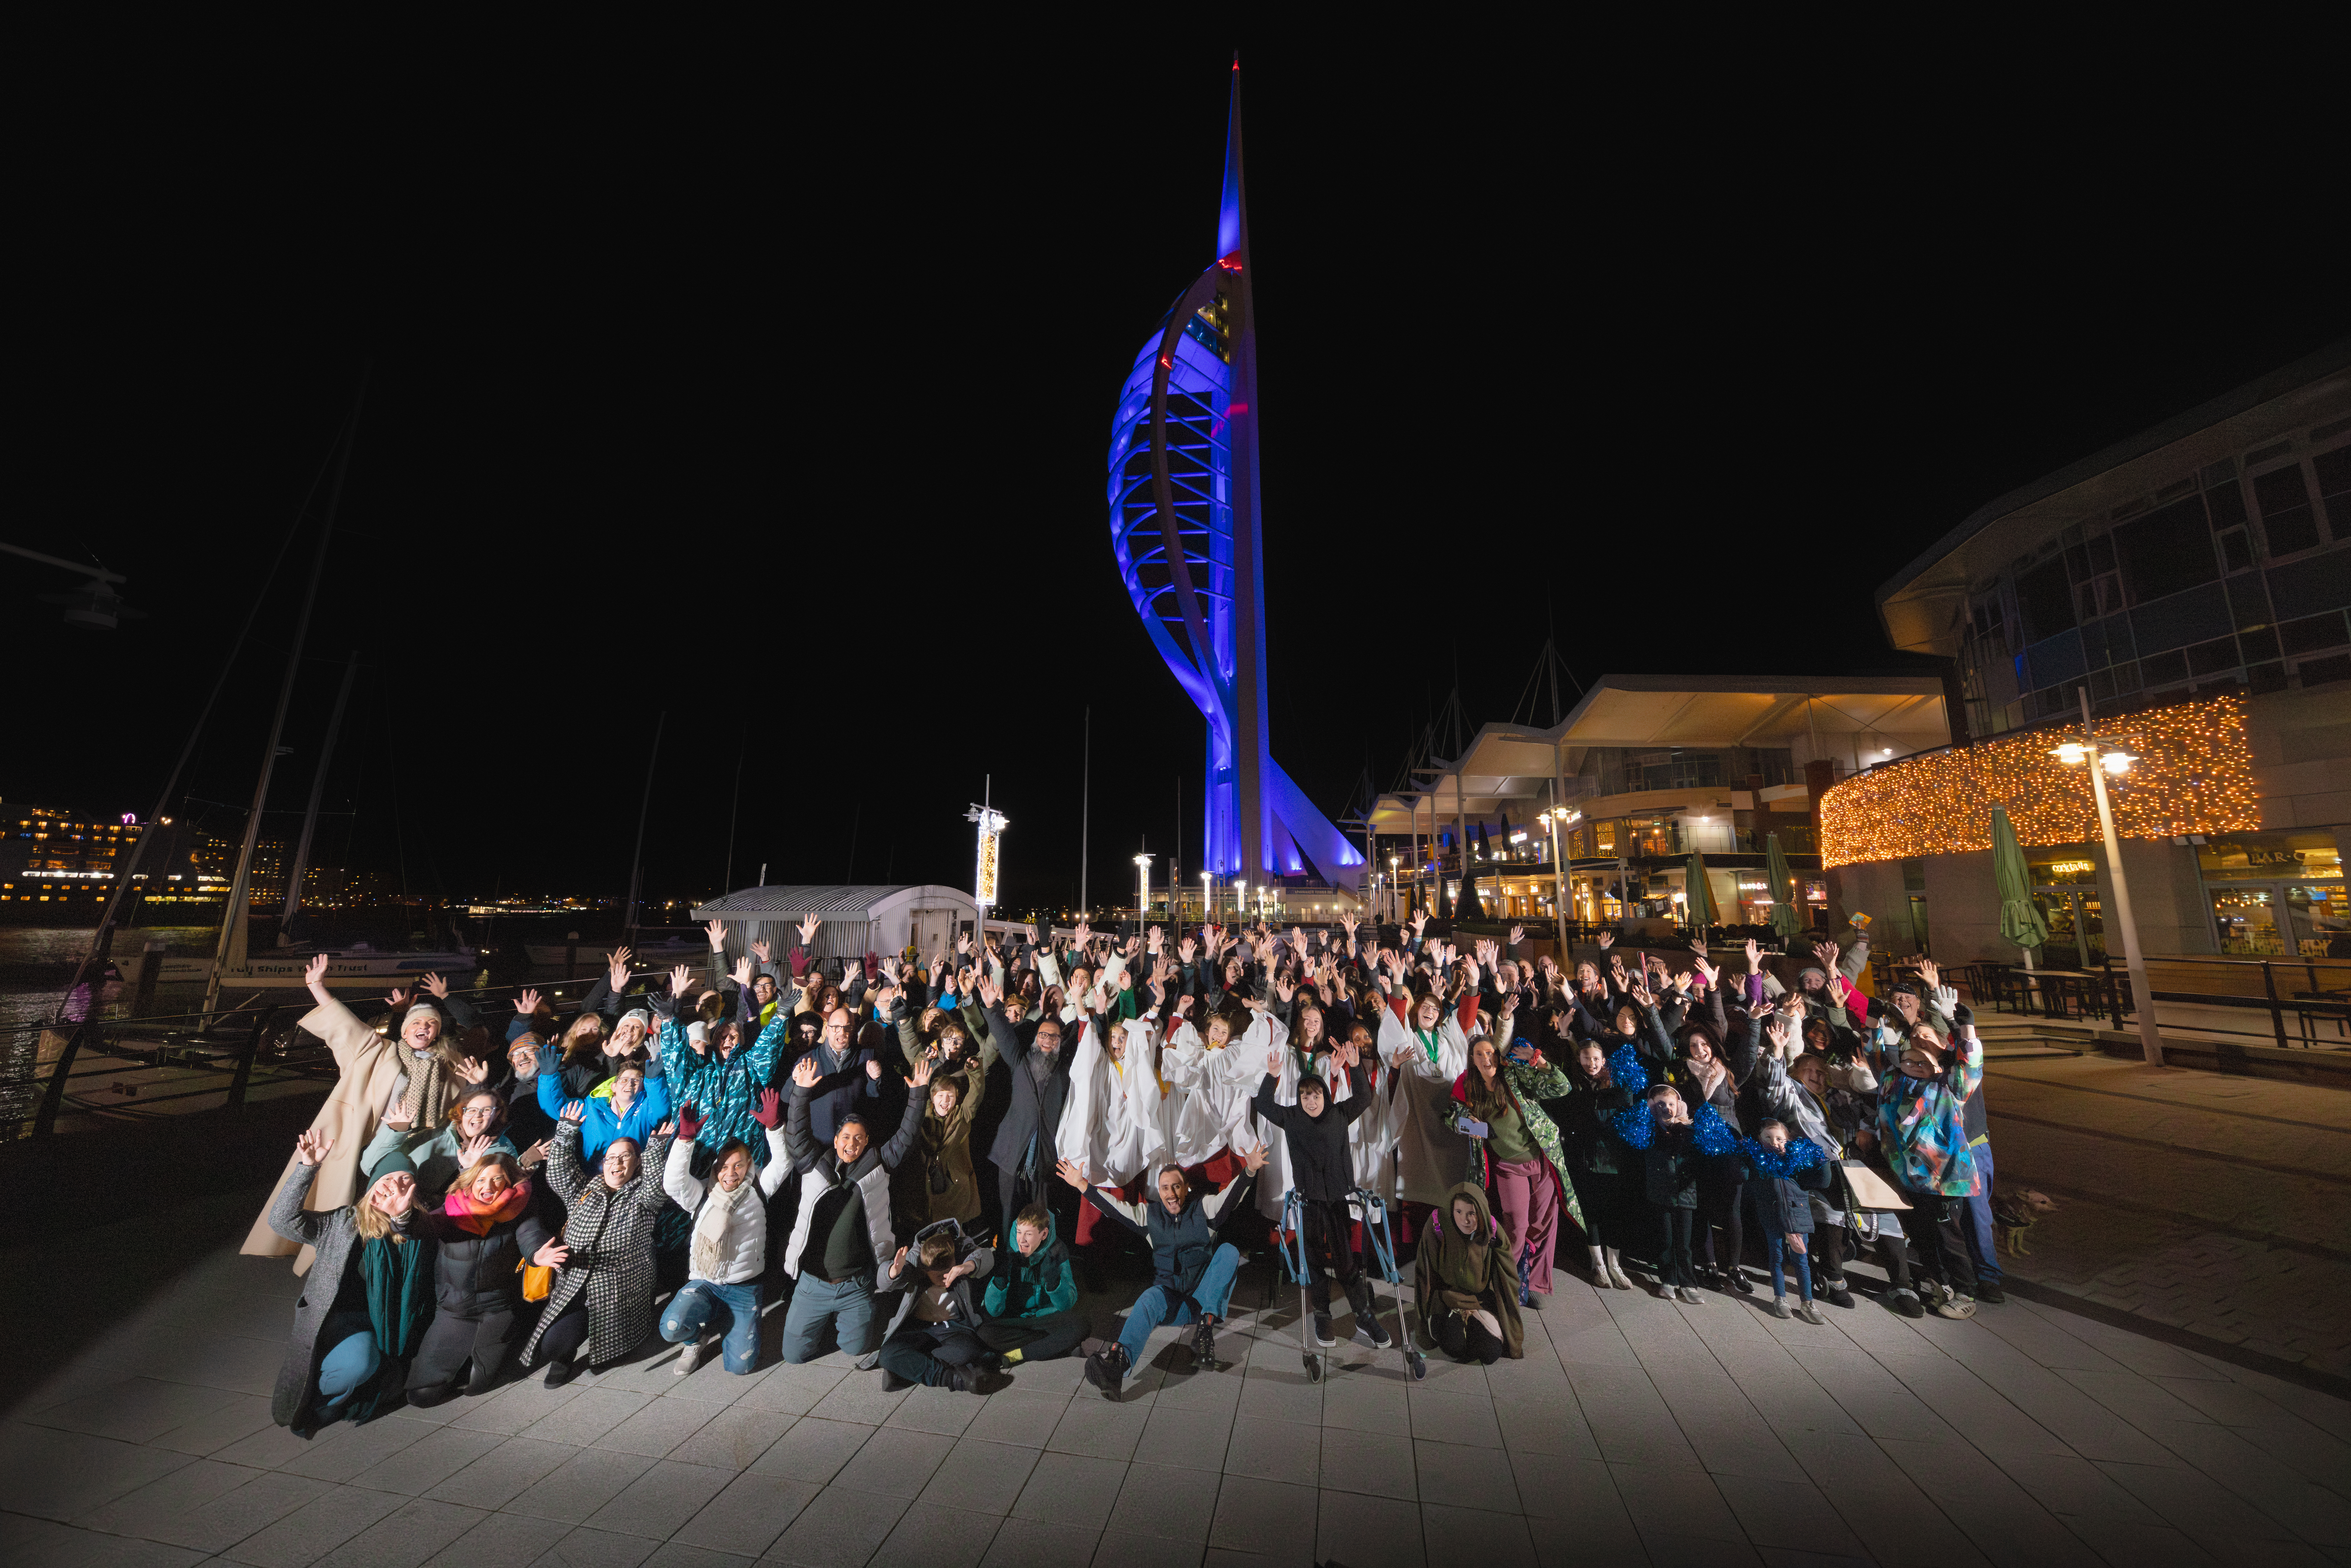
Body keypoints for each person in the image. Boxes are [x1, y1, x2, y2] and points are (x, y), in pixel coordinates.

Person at [246, 954, 487, 1272]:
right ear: (403, 1031)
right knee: (355, 1207)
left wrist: (477, 1087)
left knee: (400, 1210)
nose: (425, 1027)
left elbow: (465, 1110)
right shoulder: (381, 1052)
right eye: (417, 1022)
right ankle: (341, 1266)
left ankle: (390, 1265)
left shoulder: (449, 1061)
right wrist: (317, 986)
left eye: (432, 1024)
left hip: (419, 1145)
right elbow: (345, 1028)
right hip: (369, 1139)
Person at [265, 1130, 438, 1436]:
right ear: (371, 1188)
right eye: (386, 1179)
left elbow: (415, 1245)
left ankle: (330, 1397)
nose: (394, 1186)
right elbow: (282, 1221)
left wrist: (400, 1220)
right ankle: (314, 1394)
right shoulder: (343, 1221)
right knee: (340, 1364)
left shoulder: (417, 1226)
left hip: (374, 1324)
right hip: (329, 1319)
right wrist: (307, 1168)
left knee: (372, 1371)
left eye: (405, 1181)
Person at [1061, 1142, 1266, 1398]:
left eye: (1177, 1186)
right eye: (1165, 1188)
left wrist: (1249, 1171)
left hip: (1204, 1300)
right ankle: (1117, 1369)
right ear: (1159, 1192)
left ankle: (1205, 1330)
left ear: (1186, 1188)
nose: (1171, 1193)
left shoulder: (1204, 1210)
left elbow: (1232, 1198)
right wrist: (1083, 1186)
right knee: (1149, 1298)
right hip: (1175, 1302)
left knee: (1228, 1251)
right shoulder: (1150, 1217)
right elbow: (1114, 1209)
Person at [777, 1053, 930, 1363]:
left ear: (867, 1142)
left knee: (857, 1348)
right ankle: (817, 1318)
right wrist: (801, 1091)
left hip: (855, 1285)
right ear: (835, 1141)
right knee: (793, 1355)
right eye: (846, 1137)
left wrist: (918, 1094)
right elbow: (795, 1135)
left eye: (859, 1138)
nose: (852, 1143)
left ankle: (849, 1316)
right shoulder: (813, 1165)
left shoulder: (878, 1165)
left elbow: (906, 1137)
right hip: (812, 1283)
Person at [517, 1103, 676, 1386]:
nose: (616, 1164)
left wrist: (655, 1150)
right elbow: (558, 1173)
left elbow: (655, 1184)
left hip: (621, 1287)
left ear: (637, 1163)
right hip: (576, 1280)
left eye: (625, 1158)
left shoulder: (645, 1199)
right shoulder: (585, 1188)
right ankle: (564, 1355)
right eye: (611, 1157)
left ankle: (611, 1343)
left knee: (611, 1350)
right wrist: (566, 1131)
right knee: (553, 1345)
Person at [1251, 1047, 1391, 1348]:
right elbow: (1262, 1104)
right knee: (1313, 1259)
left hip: (1338, 1198)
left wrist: (1355, 1068)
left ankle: (1363, 1316)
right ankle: (1322, 1314)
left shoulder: (1339, 1113)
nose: (1310, 1101)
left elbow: (1364, 1098)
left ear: (1325, 1095)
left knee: (1344, 1262)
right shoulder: (1291, 1118)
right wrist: (1272, 1076)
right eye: (1305, 1096)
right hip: (1309, 1201)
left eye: (1315, 1095)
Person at [408, 1151, 562, 1404]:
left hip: (497, 1308)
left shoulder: (520, 1209)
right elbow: (420, 1227)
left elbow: (530, 1236)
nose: (487, 1187)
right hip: (454, 1309)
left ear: (508, 1182)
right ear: (471, 1181)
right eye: (481, 1180)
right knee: (421, 1396)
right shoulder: (453, 1209)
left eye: (497, 1179)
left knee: (475, 1386)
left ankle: (506, 1346)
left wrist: (537, 1255)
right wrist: (402, 1217)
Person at [659, 1092, 794, 1375]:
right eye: (723, 1166)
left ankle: (728, 1320)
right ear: (715, 1169)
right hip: (705, 1285)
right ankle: (695, 1339)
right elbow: (673, 1183)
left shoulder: (758, 1190)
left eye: (738, 1165)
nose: (729, 1172)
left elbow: (783, 1163)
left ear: (748, 1168)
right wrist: (684, 1141)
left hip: (744, 1288)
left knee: (740, 1366)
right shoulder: (701, 1194)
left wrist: (775, 1129)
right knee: (671, 1326)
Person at [1447, 1030, 1581, 1303]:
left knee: (1544, 1223)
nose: (1487, 1058)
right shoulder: (1467, 1087)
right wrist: (1469, 1125)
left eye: (1490, 1052)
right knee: (1517, 1229)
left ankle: (1530, 1284)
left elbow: (1562, 1087)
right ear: (1472, 1060)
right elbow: (1450, 1118)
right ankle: (1505, 1285)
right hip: (1508, 1166)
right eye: (1479, 1054)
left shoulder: (1515, 1075)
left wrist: (1540, 1063)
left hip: (1541, 1160)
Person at [1879, 1008, 1986, 1319]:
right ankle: (1939, 1285)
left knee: (1949, 1237)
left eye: (1926, 1041)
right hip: (1909, 1177)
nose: (1915, 1062)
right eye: (1910, 1055)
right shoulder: (1894, 1084)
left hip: (1945, 1178)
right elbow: (1883, 1060)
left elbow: (1971, 1068)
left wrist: (1965, 1029)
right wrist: (1882, 1030)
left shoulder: (1949, 1087)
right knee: (1922, 1235)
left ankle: (1966, 1291)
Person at [664, 958, 794, 1172]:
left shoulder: (751, 1065)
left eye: (734, 1036)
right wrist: (669, 1018)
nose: (728, 1040)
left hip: (741, 1162)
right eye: (723, 1037)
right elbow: (674, 1058)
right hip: (695, 1161)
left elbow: (765, 1050)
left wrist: (780, 1016)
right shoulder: (699, 1072)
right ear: (714, 1042)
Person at [868, 1221, 994, 1392]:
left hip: (955, 1328)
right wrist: (893, 1272)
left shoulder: (962, 1251)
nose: (943, 1278)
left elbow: (985, 1257)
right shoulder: (916, 1258)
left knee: (969, 1352)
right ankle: (954, 1379)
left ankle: (912, 1368)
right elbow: (885, 1281)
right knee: (888, 1355)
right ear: (926, 1269)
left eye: (947, 1272)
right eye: (937, 1275)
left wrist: (967, 1267)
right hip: (920, 1328)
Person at [1412, 1182, 1525, 1365]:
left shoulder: (1493, 1231)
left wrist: (1513, 1335)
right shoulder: (1437, 1225)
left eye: (1471, 1213)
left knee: (1490, 1354)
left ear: (1480, 1212)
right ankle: (1461, 1326)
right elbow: (1424, 1275)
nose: (1465, 1220)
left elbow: (1508, 1280)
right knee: (1454, 1348)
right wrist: (1423, 1328)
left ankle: (1473, 1323)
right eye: (1459, 1212)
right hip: (1448, 1300)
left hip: (1481, 1301)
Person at [1559, 1039, 1639, 1289]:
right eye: (1586, 1058)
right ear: (1579, 1059)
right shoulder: (1572, 1084)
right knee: (1591, 1212)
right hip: (1585, 1157)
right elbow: (1574, 1110)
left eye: (1596, 1059)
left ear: (1604, 1061)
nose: (1591, 1063)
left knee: (1614, 1213)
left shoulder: (1617, 1082)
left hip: (1613, 1158)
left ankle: (1615, 1265)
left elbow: (1626, 1100)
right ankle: (1598, 1265)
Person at [360, 1086, 521, 1200]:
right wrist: (396, 1131)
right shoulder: (434, 1137)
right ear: (462, 1112)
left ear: (497, 1113)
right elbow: (370, 1167)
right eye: (471, 1110)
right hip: (401, 1205)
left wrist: (469, 1170)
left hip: (450, 1220)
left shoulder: (503, 1150)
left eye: (486, 1110)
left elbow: (502, 1194)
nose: (478, 1116)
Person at [977, 1204, 1087, 1366]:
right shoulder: (1008, 1249)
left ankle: (1018, 1355)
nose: (1022, 1240)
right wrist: (999, 1282)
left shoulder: (1057, 1250)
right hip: (1014, 1320)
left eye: (1029, 1234)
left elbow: (1067, 1305)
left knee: (1081, 1324)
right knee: (984, 1334)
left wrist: (1054, 1284)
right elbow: (993, 1310)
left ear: (1044, 1234)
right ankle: (1052, 1347)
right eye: (1020, 1232)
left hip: (1046, 1318)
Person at [1745, 1120, 1828, 1324]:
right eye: (1768, 1138)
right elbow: (1746, 1178)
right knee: (1777, 1258)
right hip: (1772, 1217)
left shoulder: (1797, 1163)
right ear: (1760, 1140)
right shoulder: (1758, 1163)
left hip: (1797, 1217)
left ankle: (1808, 1302)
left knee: (1802, 1261)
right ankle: (1780, 1298)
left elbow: (1823, 1181)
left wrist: (1821, 1158)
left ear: (1788, 1142)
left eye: (1780, 1139)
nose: (1775, 1143)